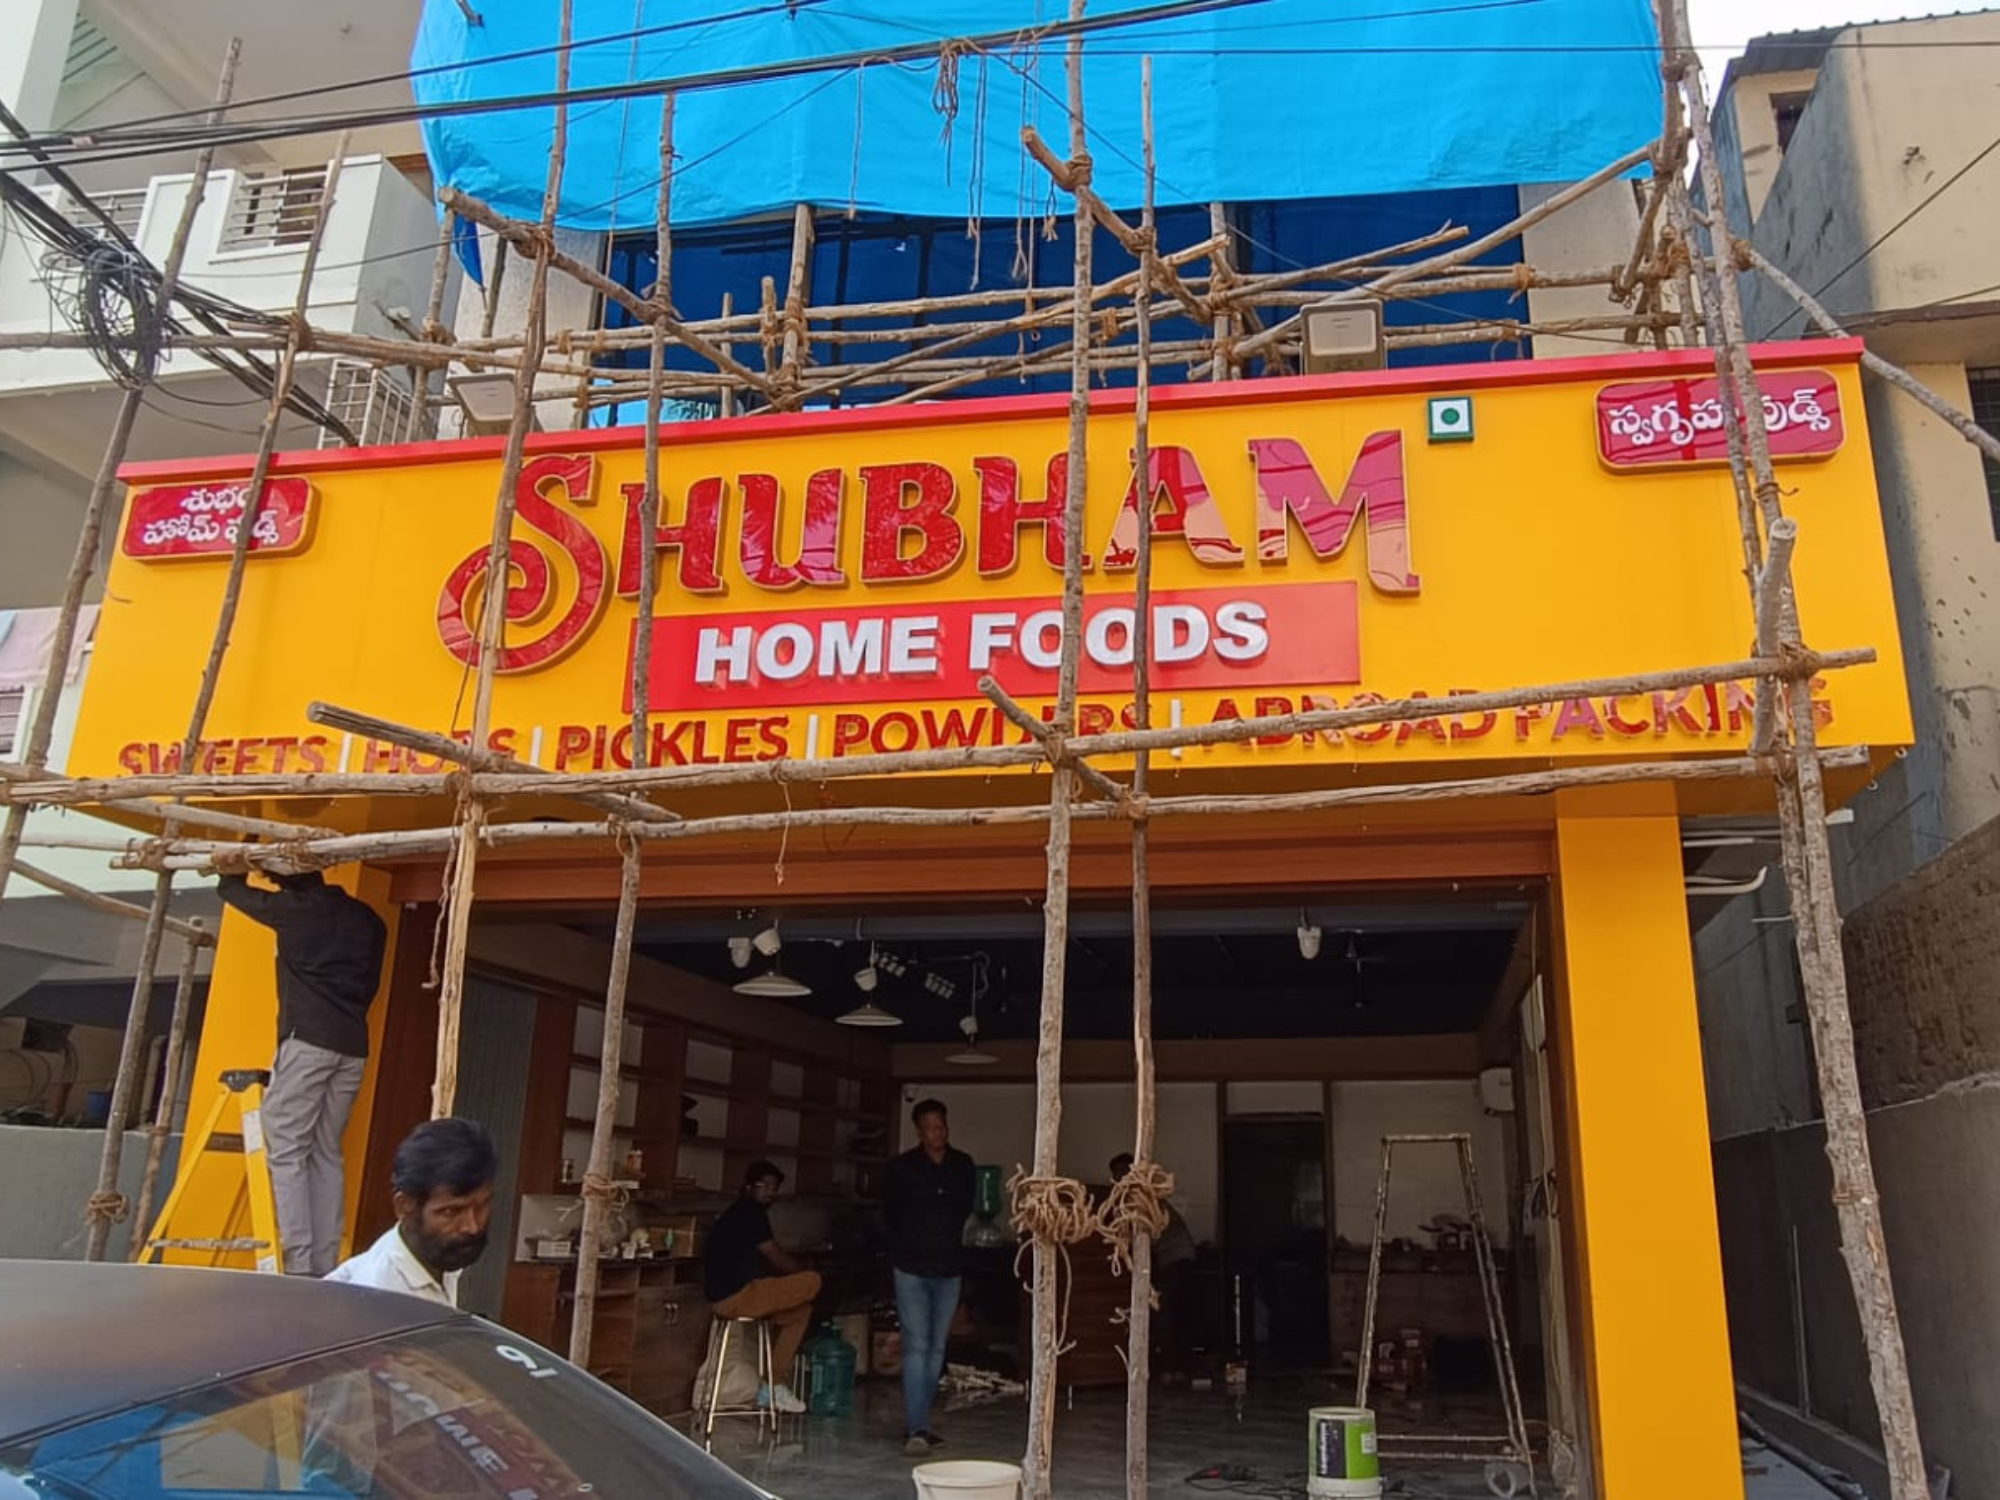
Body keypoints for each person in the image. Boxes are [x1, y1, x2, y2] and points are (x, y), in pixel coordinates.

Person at [216, 868, 387, 1276]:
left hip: (307, 1039)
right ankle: (325, 1263)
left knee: (287, 1145)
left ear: (285, 880)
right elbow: (372, 984)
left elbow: (231, 890)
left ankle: (298, 1260)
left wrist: (238, 857)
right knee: (326, 1149)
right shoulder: (369, 919)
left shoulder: (294, 910)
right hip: (353, 1043)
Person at [884, 1098, 975, 1455]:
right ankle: (917, 1425)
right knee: (917, 1344)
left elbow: (964, 1209)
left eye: (941, 1126)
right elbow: (890, 1214)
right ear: (919, 1132)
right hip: (910, 1265)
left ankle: (919, 1423)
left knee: (937, 1347)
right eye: (930, 1128)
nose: (937, 1134)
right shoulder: (902, 1168)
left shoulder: (962, 1165)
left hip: (949, 1265)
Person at [326, 1116, 496, 1306]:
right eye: (451, 1212)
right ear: (404, 1206)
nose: (472, 1227)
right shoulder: (380, 1298)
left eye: (482, 1206)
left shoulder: (441, 1257)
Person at [704, 1160, 822, 1415]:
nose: (769, 1192)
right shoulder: (750, 1213)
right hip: (738, 1295)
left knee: (800, 1313)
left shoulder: (738, 1212)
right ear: (749, 1187)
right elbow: (776, 1257)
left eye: (774, 1188)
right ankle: (772, 1388)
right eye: (764, 1186)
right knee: (813, 1281)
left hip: (733, 1296)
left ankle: (772, 1387)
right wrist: (801, 1273)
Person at [1110, 1151, 1200, 1375]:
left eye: (1121, 1174)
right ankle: (1177, 1370)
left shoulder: (1143, 1200)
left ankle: (1171, 1372)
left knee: (1165, 1313)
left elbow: (1144, 1236)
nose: (1118, 1181)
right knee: (1173, 1314)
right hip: (1175, 1260)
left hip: (1176, 1260)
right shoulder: (1137, 1199)